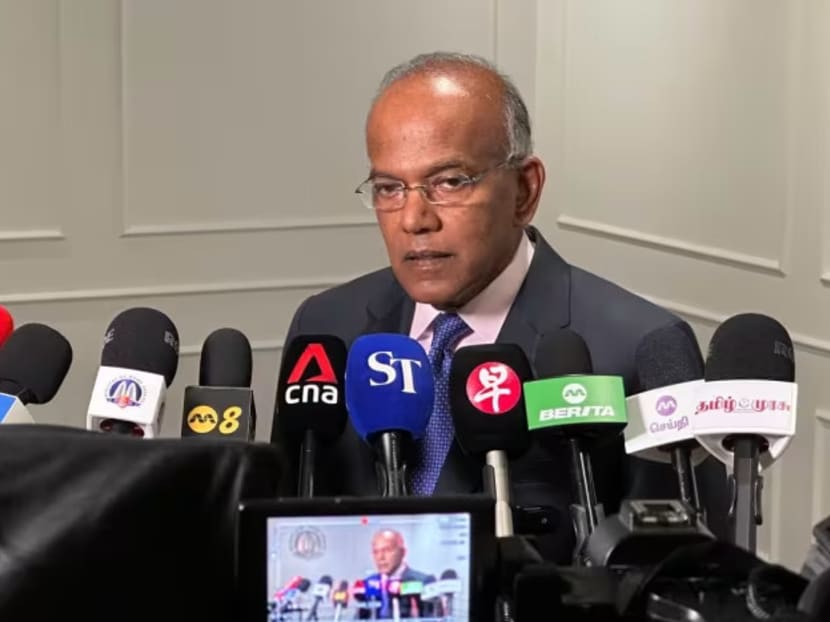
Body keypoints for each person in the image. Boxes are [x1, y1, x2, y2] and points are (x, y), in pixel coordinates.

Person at [275, 52, 728, 561]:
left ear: (524, 190)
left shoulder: (642, 348)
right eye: (389, 188)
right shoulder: (326, 325)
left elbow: (682, 579)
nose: (414, 219)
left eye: (449, 182)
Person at [361, 530, 434, 620]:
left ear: (403, 552)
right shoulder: (369, 583)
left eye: (387, 550)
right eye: (376, 552)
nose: (380, 557)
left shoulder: (423, 582)